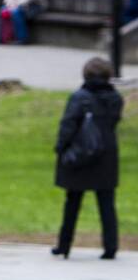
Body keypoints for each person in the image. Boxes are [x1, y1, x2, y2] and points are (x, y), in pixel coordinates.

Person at [52, 57, 123, 260]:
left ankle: (64, 245)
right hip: (106, 154)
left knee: (72, 202)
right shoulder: (115, 98)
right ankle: (111, 246)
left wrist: (61, 147)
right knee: (106, 203)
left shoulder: (79, 97)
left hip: (80, 153)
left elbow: (68, 125)